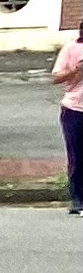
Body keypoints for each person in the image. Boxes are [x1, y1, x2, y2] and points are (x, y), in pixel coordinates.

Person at [53, 18, 82, 214]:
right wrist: (76, 70)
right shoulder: (71, 48)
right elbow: (56, 78)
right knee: (77, 156)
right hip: (74, 109)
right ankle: (77, 198)